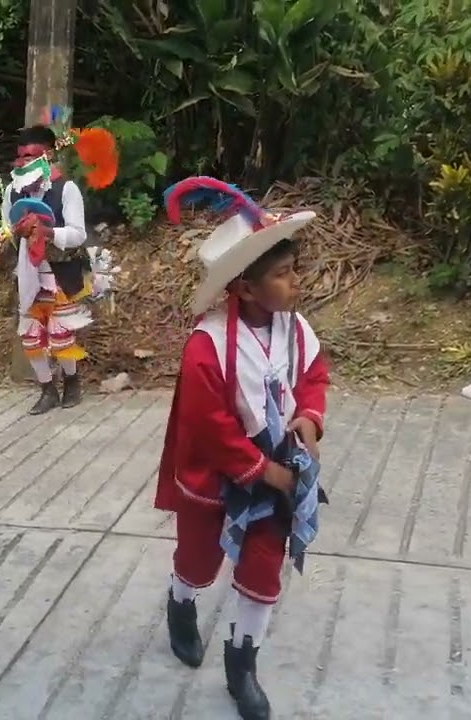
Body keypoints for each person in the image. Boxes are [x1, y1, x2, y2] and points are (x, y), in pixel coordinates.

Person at [154, 178, 329, 720]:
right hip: (219, 470)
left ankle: (242, 663)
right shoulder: (205, 348)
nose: (295, 281)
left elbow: (312, 377)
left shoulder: (296, 329)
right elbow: (209, 428)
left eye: (294, 269)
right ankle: (182, 602)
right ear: (247, 290)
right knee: (198, 556)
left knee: (263, 566)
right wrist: (266, 472)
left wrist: (309, 418)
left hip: (276, 461)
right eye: (283, 273)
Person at [0, 122, 115, 415]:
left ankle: (72, 382)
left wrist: (48, 232)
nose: (23, 163)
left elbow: (78, 234)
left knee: (60, 333)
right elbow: (7, 225)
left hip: (61, 272)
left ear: (48, 155)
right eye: (20, 157)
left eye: (30, 157)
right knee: (31, 335)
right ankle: (47, 390)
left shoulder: (66, 188)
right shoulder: (12, 191)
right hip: (28, 271)